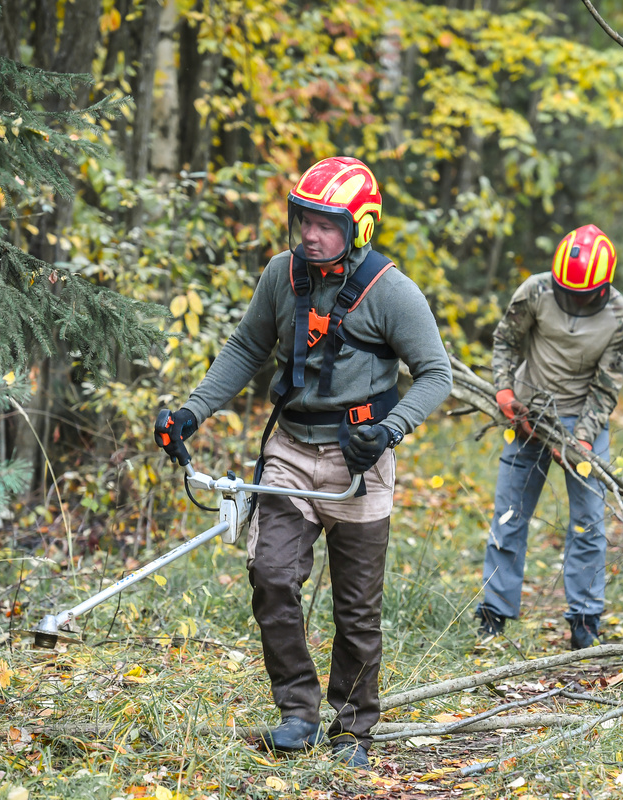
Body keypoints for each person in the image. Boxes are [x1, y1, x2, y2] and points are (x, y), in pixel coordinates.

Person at [155, 156, 452, 768]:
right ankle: (297, 713)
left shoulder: (392, 291)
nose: (310, 233)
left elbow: (435, 375)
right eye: (304, 219)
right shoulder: (280, 275)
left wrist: (390, 430)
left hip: (361, 461)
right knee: (270, 574)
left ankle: (353, 729)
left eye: (326, 223)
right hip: (289, 450)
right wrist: (191, 412)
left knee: (357, 605)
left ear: (361, 226)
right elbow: (245, 347)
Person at [474, 224, 623, 650]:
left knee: (588, 522)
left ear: (602, 287)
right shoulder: (536, 292)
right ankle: (493, 612)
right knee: (509, 515)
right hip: (527, 414)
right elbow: (506, 342)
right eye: (567, 291)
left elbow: (606, 389)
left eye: (582, 295)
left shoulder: (621, 320)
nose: (572, 300)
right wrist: (505, 391)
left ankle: (585, 619)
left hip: (583, 422)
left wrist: (581, 439)